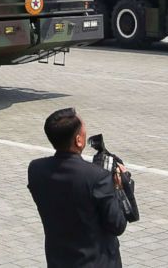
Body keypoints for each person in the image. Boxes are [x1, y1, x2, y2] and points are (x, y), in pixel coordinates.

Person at [27, 108, 127, 267]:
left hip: (58, 261)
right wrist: (118, 188)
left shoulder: (36, 169)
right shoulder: (97, 177)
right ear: (78, 140)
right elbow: (117, 225)